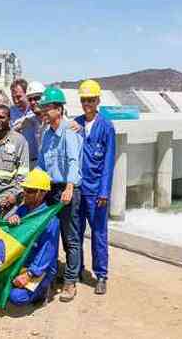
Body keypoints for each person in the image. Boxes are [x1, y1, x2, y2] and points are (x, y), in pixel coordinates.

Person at [37, 86, 82, 302]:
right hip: (51, 190)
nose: (43, 111)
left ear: (59, 109)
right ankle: (52, 275)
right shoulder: (46, 135)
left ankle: (70, 282)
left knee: (70, 237)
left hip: (68, 188)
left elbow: (74, 161)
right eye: (42, 108)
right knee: (50, 234)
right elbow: (43, 166)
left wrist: (70, 188)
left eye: (47, 108)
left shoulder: (69, 131)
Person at [74, 80, 116, 295]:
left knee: (99, 234)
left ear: (98, 100)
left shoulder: (107, 126)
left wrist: (104, 191)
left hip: (96, 191)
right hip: (78, 189)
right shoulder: (76, 123)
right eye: (84, 100)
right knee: (75, 233)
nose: (87, 103)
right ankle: (77, 269)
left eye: (91, 99)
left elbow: (109, 161)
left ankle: (101, 275)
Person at [6, 168, 59, 307]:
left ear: (42, 193)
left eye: (30, 191)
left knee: (16, 297)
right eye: (25, 190)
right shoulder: (23, 210)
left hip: (39, 268)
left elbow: (46, 253)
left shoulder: (50, 220)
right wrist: (13, 219)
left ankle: (43, 289)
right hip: (22, 261)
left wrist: (29, 275)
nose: (25, 194)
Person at [12, 80, 45, 168]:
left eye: (37, 98)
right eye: (30, 99)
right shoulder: (30, 119)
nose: (33, 102)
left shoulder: (54, 121)